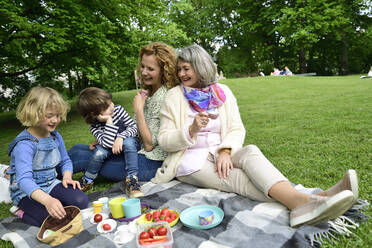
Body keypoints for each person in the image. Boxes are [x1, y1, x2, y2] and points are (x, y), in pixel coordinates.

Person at [151, 44, 357, 228]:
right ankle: (314, 199)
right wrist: (191, 130)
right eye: (179, 69)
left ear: (201, 66)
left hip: (220, 151)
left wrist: (225, 150)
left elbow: (236, 128)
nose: (182, 74)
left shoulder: (222, 92)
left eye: (186, 68)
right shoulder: (174, 96)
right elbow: (165, 140)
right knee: (240, 180)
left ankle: (309, 202)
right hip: (190, 161)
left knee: (251, 152)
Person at [68, 42, 178, 183]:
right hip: (135, 151)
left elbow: (149, 145)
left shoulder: (165, 97)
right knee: (79, 149)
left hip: (151, 163)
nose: (144, 72)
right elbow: (133, 132)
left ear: (164, 70)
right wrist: (108, 138)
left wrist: (138, 110)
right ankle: (43, 173)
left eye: (150, 69)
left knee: (83, 157)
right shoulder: (150, 92)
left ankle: (41, 178)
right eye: (143, 66)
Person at [7, 86, 88, 227]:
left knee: (81, 201)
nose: (55, 120)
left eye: (57, 115)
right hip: (26, 192)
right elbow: (24, 180)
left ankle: (54, 202)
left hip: (51, 184)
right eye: (49, 116)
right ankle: (21, 211)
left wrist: (67, 177)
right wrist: (47, 201)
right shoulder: (24, 145)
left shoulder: (55, 136)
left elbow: (65, 160)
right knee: (52, 220)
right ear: (34, 113)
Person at [76, 87, 143, 197]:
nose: (112, 106)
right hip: (110, 147)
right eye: (107, 106)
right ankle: (88, 180)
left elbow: (134, 128)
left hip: (128, 141)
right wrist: (109, 121)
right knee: (99, 152)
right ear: (95, 114)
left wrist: (120, 137)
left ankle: (132, 180)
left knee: (128, 143)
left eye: (111, 102)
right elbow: (106, 144)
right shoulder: (95, 127)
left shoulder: (119, 110)